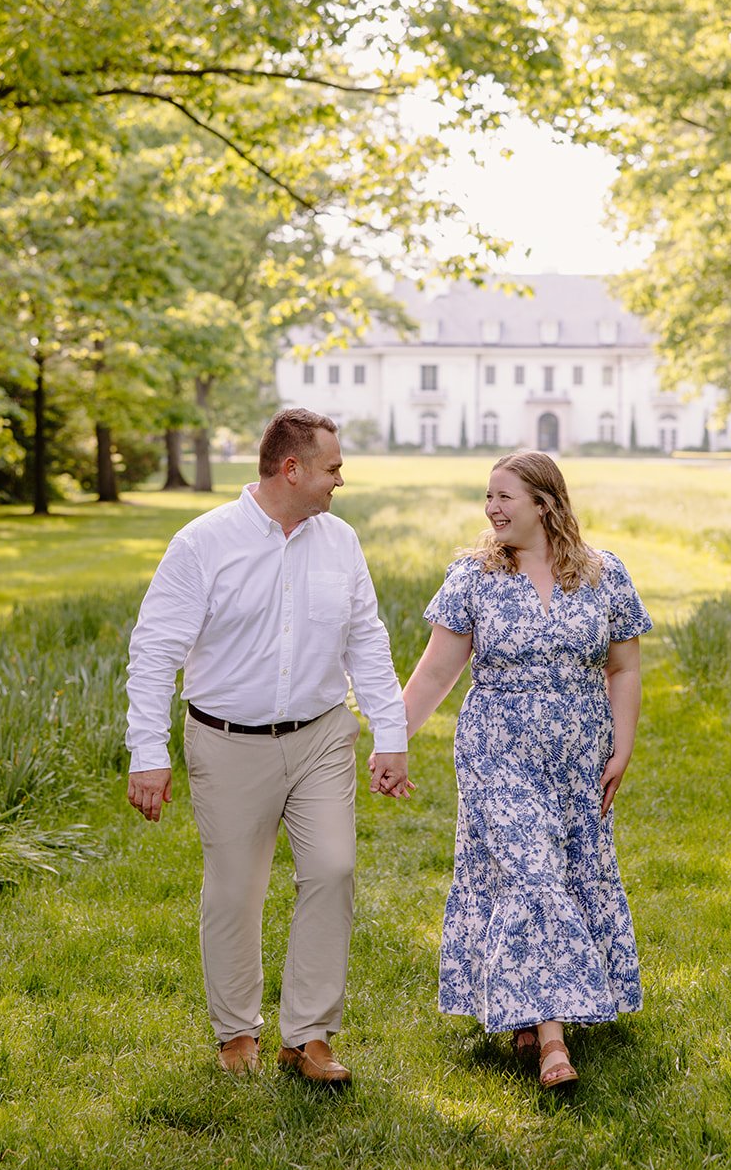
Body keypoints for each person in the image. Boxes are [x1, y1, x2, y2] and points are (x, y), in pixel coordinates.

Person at [126, 407, 412, 1087]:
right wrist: (147, 749)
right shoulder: (203, 543)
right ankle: (236, 1032)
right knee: (234, 890)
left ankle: (308, 1036)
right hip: (227, 743)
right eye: (333, 468)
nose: (340, 480)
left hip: (319, 736)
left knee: (334, 870)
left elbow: (365, 640)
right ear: (293, 470)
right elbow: (154, 650)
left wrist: (390, 733)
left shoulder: (339, 542)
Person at [396, 450, 650, 1089]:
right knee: (532, 874)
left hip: (578, 753)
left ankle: (524, 1014)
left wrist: (621, 746)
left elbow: (623, 667)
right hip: (497, 750)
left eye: (505, 496)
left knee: (559, 871)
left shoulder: (604, 574)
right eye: (488, 497)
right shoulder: (473, 576)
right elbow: (435, 673)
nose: (492, 508)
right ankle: (553, 1044)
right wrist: (387, 740)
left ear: (545, 503)